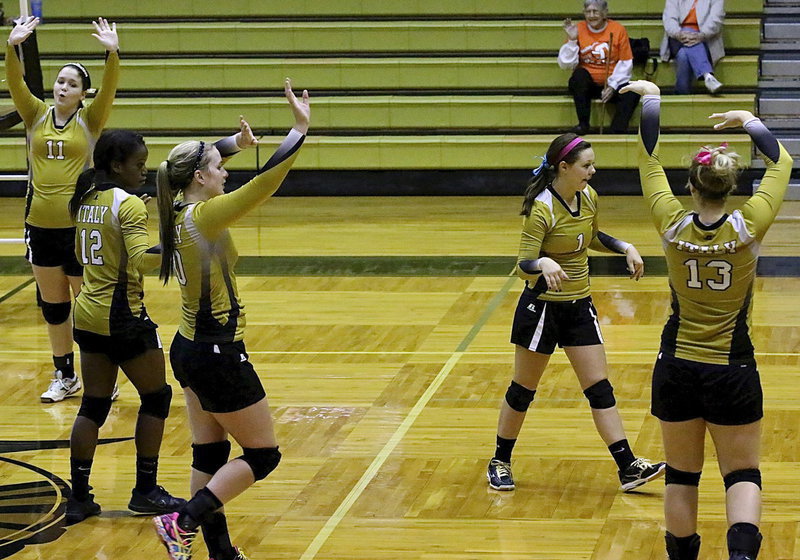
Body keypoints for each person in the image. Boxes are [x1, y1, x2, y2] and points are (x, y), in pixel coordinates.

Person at [619, 79, 793, 560]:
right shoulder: (749, 224)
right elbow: (782, 162)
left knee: (682, 475)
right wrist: (750, 122)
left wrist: (652, 98)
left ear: (691, 187)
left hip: (676, 365)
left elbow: (647, 156)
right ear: (731, 187)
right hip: (732, 367)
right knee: (741, 474)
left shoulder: (670, 222)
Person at [151, 79, 310, 560]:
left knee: (210, 454)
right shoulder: (206, 217)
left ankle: (218, 553)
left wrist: (233, 145)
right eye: (220, 168)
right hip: (217, 354)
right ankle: (182, 520)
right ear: (200, 178)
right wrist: (299, 129)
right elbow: (266, 183)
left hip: (188, 348)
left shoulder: (172, 206)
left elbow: (188, 164)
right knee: (264, 456)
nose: (226, 174)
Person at [486, 132, 665, 493]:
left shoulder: (588, 197)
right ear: (563, 168)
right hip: (541, 311)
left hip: (579, 306)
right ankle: (500, 460)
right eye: (586, 166)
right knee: (523, 390)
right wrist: (544, 262)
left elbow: (591, 237)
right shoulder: (541, 208)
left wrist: (624, 246)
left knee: (600, 389)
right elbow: (522, 265)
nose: (593, 171)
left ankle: (628, 466)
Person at [65, 129, 195, 524]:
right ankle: (145, 491)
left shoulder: (86, 198)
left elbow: (110, 235)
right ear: (117, 165)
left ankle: (80, 497)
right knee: (156, 398)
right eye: (138, 165)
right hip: (122, 316)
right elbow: (141, 259)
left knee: (94, 404)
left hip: (86, 313)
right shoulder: (130, 207)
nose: (144, 171)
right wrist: (182, 240)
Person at [5, 16, 120, 403]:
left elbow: (110, 90)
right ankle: (65, 376)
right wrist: (12, 46)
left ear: (83, 94)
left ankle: (102, 377)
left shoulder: (90, 120)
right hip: (40, 226)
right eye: (60, 81)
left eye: (72, 84)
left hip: (79, 227)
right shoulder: (35, 114)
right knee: (54, 309)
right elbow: (15, 83)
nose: (63, 87)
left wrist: (111, 52)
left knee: (86, 307)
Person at [559, 0, 640, 135]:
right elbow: (565, 64)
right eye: (588, 12)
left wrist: (612, 86)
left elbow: (625, 62)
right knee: (579, 76)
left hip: (612, 83)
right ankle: (583, 124)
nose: (591, 15)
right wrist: (572, 40)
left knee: (633, 92)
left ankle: (617, 130)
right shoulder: (577, 29)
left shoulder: (618, 30)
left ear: (604, 13)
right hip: (587, 85)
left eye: (595, 11)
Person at [661, 0, 726, 94]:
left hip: (705, 39)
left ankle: (682, 94)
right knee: (688, 30)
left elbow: (716, 21)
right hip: (677, 38)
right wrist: (678, 33)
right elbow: (669, 19)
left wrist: (702, 35)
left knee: (683, 56)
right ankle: (707, 74)